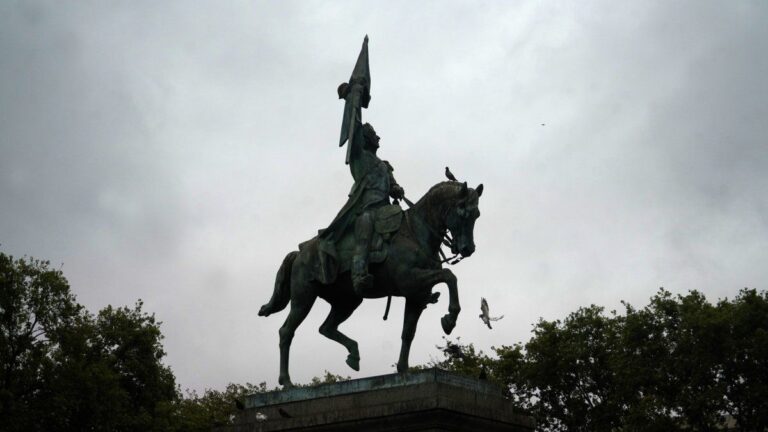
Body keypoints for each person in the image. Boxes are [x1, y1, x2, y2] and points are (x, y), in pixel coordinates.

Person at [319, 121, 404, 296]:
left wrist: (396, 189)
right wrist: (355, 108)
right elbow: (354, 139)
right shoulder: (360, 158)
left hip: (385, 209)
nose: (378, 137)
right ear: (365, 139)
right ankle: (358, 275)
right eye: (374, 134)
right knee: (364, 235)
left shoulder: (384, 166)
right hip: (366, 208)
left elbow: (392, 185)